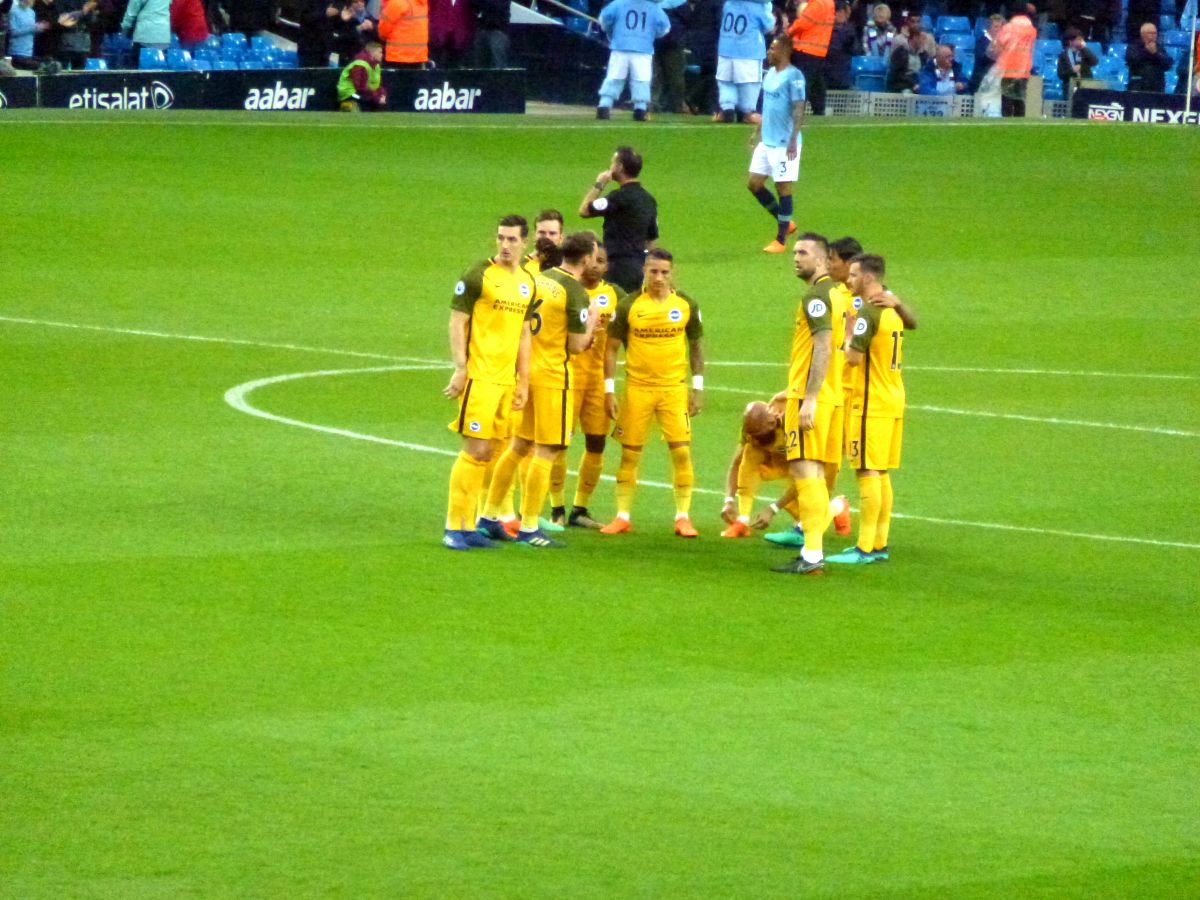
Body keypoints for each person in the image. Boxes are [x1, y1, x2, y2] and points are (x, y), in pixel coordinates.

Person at [477, 233, 601, 549]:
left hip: (527, 372)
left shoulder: (540, 279)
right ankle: (530, 527)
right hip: (553, 376)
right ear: (585, 259)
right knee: (547, 450)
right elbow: (576, 345)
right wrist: (592, 326)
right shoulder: (576, 293)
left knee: (519, 445)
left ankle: (489, 517)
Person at [441, 215, 538, 551]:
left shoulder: (527, 282)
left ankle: (472, 525)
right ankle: (455, 527)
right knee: (475, 450)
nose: (505, 245)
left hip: (505, 380)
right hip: (480, 378)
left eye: (512, 239)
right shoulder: (478, 275)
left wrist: (523, 381)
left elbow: (525, 334)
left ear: (524, 242)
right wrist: (460, 368)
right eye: (501, 238)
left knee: (492, 453)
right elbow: (457, 322)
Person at [601, 248, 704, 537]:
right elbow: (610, 349)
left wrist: (697, 388)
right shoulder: (629, 305)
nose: (659, 277)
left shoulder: (685, 304)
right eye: (653, 271)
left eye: (664, 272)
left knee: (681, 452)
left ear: (673, 273)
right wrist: (609, 391)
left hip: (673, 389)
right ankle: (622, 516)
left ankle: (683, 516)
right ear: (644, 271)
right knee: (630, 454)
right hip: (638, 389)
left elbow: (695, 345)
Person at [769, 233, 842, 576]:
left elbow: (823, 346)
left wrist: (807, 398)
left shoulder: (816, 296)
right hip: (831, 394)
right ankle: (813, 550)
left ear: (824, 260)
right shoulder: (839, 294)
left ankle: (812, 555)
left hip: (812, 396)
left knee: (805, 472)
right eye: (795, 252)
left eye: (804, 253)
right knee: (810, 472)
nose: (796, 257)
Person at [827, 254, 906, 565]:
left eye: (855, 274)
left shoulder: (868, 314)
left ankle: (864, 548)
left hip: (869, 402)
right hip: (893, 396)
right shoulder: (891, 311)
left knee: (866, 471)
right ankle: (879, 544)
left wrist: (847, 336)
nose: (849, 279)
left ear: (869, 278)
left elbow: (853, 358)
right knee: (881, 472)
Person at [549, 243, 625, 529]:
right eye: (592, 259)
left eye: (602, 261)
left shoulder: (614, 295)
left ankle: (580, 508)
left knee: (596, 442)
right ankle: (556, 507)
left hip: (596, 381)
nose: (596, 265)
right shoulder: (568, 291)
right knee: (558, 442)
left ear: (606, 266)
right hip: (567, 376)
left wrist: (609, 389)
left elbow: (616, 343)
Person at [719, 400, 851, 539]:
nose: (758, 441)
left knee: (811, 509)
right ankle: (742, 519)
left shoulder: (795, 426)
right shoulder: (754, 430)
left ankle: (838, 506)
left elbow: (808, 475)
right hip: (784, 457)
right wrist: (729, 501)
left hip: (821, 457)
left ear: (775, 423)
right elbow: (737, 465)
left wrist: (773, 508)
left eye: (762, 437)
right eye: (756, 437)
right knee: (750, 452)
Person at [748, 34, 806, 254]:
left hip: (784, 143)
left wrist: (793, 140)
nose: (768, 52)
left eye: (772, 49)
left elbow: (799, 109)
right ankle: (787, 222)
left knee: (783, 189)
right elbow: (767, 108)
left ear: (785, 50)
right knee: (754, 184)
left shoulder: (795, 77)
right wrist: (757, 132)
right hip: (768, 139)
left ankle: (780, 240)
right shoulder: (770, 74)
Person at [579, 146, 659, 294]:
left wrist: (600, 183)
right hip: (639, 267)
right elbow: (651, 240)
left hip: (617, 267)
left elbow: (584, 210)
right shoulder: (649, 200)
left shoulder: (617, 198)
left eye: (612, 163)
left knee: (613, 311)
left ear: (619, 167)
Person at [596, 0, 671, 121]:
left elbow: (603, 20)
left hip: (620, 46)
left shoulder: (618, 3)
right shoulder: (654, 8)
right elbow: (665, 28)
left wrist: (611, 33)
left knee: (614, 77)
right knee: (641, 80)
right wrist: (651, 35)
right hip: (643, 49)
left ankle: (604, 107)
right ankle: (640, 110)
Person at [713, 0, 775, 123]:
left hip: (726, 48)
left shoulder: (728, 4)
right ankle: (747, 112)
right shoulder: (758, 7)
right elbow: (769, 26)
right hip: (748, 50)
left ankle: (727, 108)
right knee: (749, 83)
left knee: (726, 81)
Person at [788, 0, 834, 114]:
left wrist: (787, 33)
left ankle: (797, 111)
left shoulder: (816, 3)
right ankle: (819, 111)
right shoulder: (829, 3)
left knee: (802, 83)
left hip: (805, 49)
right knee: (817, 83)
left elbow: (802, 24)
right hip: (820, 50)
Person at [994, 2, 1036, 117]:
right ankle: (1019, 124)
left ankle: (1006, 124)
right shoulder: (1031, 28)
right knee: (1020, 99)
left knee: (1007, 99)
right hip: (1024, 70)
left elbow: (1001, 44)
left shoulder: (1009, 27)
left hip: (1009, 68)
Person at [652, 0, 689, 114]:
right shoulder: (679, 2)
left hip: (653, 40)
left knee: (655, 75)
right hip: (674, 42)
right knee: (676, 76)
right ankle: (677, 105)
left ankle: (652, 104)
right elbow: (688, 19)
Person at [337, 37, 388, 110]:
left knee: (375, 103)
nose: (382, 55)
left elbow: (377, 85)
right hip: (350, 93)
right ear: (372, 53)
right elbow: (360, 87)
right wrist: (376, 98)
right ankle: (347, 105)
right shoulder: (360, 64)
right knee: (363, 101)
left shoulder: (376, 65)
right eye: (380, 52)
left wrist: (382, 95)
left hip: (364, 92)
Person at [378, 0, 428, 68]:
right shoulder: (422, 3)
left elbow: (383, 30)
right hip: (418, 57)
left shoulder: (397, 2)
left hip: (397, 57)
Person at [330, 0, 379, 66]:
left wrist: (372, 28)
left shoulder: (369, 17)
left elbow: (378, 36)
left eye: (362, 1)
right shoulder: (343, 18)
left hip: (367, 57)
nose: (360, 4)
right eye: (356, 2)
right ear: (350, 4)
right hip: (348, 57)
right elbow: (339, 38)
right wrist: (358, 29)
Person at [1126, 21, 1171, 92]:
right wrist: (1147, 51)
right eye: (1150, 33)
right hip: (1138, 85)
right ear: (1142, 34)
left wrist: (1155, 53)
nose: (1154, 35)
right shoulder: (1133, 47)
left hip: (1157, 87)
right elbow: (1132, 61)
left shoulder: (1160, 48)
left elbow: (1167, 64)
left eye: (1155, 33)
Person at [886, 18, 930, 91]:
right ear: (915, 37)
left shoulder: (924, 55)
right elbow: (897, 75)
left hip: (918, 84)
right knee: (907, 93)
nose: (924, 41)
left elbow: (925, 73)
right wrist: (912, 85)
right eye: (923, 38)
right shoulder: (900, 52)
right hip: (903, 85)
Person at [54, 0, 97, 69]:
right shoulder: (61, 2)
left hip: (83, 44)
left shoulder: (86, 1)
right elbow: (63, 19)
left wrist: (86, 12)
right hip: (65, 43)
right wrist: (83, 12)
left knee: (79, 74)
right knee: (62, 73)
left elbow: (92, 19)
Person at [1056, 26, 1097, 100]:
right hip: (1070, 87)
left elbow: (1094, 62)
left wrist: (1084, 48)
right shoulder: (1063, 55)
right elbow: (1060, 74)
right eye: (1078, 39)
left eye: (1082, 39)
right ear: (1071, 41)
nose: (1081, 41)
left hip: (1085, 85)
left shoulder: (1085, 52)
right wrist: (1072, 71)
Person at [7, 0, 49, 69]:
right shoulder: (13, 12)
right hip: (16, 53)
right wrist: (33, 28)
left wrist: (40, 28)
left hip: (29, 52)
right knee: (38, 66)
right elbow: (12, 32)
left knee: (47, 60)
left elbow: (31, 30)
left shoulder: (32, 12)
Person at [968, 13, 1003, 94]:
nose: (999, 29)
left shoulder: (1003, 43)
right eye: (996, 27)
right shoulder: (982, 41)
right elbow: (983, 59)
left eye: (1001, 27)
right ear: (988, 28)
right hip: (982, 81)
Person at [825, 1, 856, 90]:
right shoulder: (824, 29)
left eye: (840, 12)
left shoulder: (850, 30)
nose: (838, 14)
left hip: (842, 75)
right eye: (836, 12)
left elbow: (856, 50)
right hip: (826, 75)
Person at [470, 0, 508, 68]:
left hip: (498, 29)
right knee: (480, 62)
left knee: (498, 61)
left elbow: (497, 6)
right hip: (482, 28)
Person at [296, 0, 331, 67]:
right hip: (308, 45)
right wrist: (325, 13)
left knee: (323, 73)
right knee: (306, 72)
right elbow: (305, 17)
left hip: (324, 45)